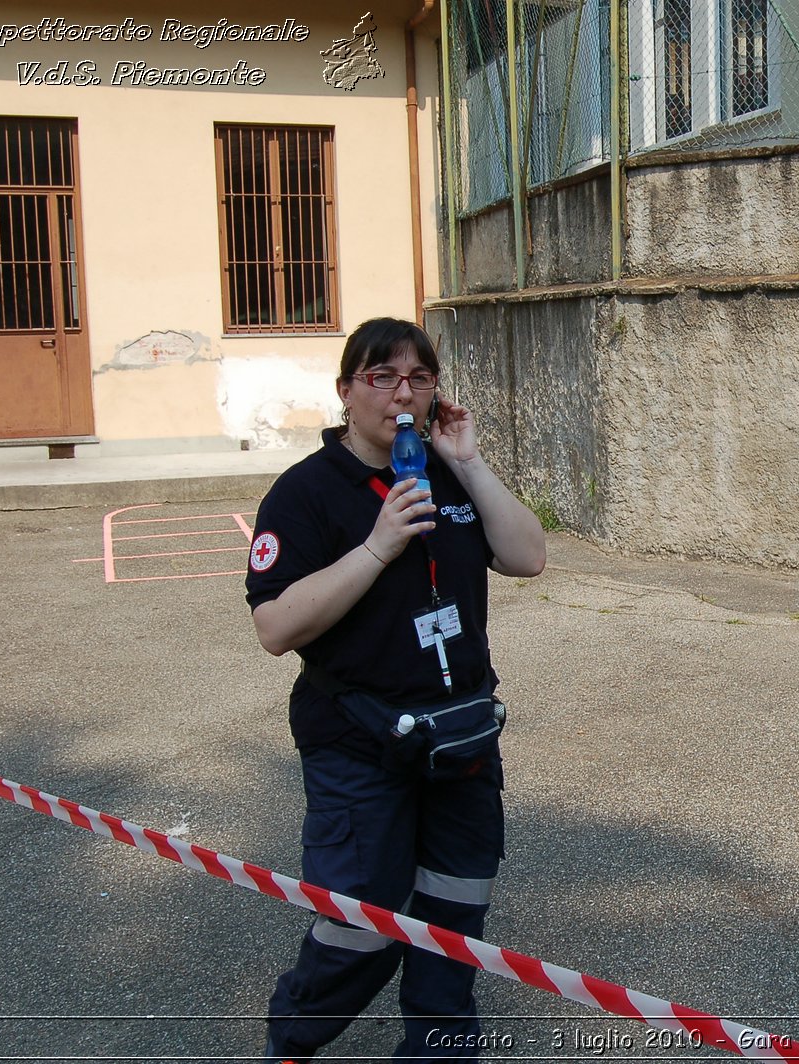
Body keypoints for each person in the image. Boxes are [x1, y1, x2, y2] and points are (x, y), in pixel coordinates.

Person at [244, 317, 546, 1061]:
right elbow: (276, 626)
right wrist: (378, 545)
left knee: (452, 922)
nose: (402, 394)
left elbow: (528, 555)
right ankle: (295, 1035)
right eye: (382, 377)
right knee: (361, 923)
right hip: (359, 739)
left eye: (419, 377)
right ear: (347, 391)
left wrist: (469, 464)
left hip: (461, 736)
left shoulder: (447, 471)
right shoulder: (306, 493)